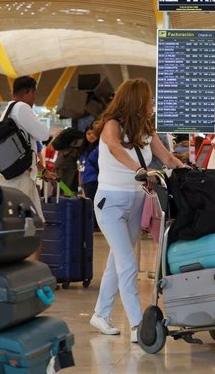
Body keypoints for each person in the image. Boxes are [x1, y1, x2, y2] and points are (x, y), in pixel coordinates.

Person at [89, 79, 184, 343]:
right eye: (148, 99)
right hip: (110, 203)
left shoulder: (145, 128)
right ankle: (137, 326)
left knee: (116, 262)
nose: (151, 104)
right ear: (135, 100)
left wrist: (187, 170)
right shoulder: (112, 124)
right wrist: (138, 170)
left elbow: (165, 157)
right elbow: (114, 147)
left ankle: (100, 314)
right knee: (128, 262)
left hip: (136, 201)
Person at [0, 76, 55, 259]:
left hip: (10, 177)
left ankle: (21, 269)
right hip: (20, 181)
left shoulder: (8, 109)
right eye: (34, 94)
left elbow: (25, 149)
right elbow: (44, 134)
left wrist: (42, 169)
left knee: (20, 226)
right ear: (29, 92)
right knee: (33, 226)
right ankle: (32, 271)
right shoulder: (22, 108)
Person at [78, 126, 99, 201]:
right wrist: (80, 181)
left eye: (94, 133)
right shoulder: (84, 150)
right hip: (85, 181)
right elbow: (81, 166)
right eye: (88, 133)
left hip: (95, 180)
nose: (91, 135)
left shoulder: (99, 147)